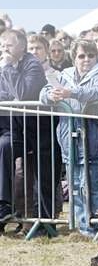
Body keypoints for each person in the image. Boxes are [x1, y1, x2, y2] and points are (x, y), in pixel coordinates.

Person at [39, 39, 98, 235]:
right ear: (74, 57)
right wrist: (50, 95)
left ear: (96, 57)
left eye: (90, 55)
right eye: (81, 56)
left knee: (93, 183)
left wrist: (71, 93)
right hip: (68, 136)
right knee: (75, 183)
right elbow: (43, 92)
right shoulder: (64, 74)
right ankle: (82, 225)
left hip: (93, 134)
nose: (86, 60)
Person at [0, 29, 54, 223]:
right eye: (2, 45)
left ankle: (44, 221)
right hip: (14, 128)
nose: (4, 49)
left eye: (9, 45)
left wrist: (7, 68)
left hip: (38, 130)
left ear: (22, 47)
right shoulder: (4, 66)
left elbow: (23, 94)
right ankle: (4, 205)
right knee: (4, 146)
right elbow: (3, 95)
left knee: (43, 178)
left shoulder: (33, 64)